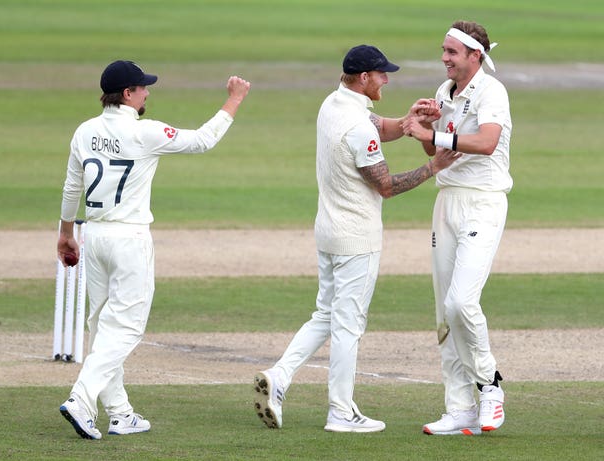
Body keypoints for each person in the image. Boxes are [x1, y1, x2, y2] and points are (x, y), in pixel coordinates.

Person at [253, 45, 460, 433]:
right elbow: (385, 185)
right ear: (364, 77)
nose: (387, 79)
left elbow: (380, 126)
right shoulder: (356, 126)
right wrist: (434, 165)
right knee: (348, 325)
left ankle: (279, 376)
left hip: (328, 231)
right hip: (356, 238)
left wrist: (410, 120)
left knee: (326, 315)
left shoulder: (333, 104)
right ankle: (341, 413)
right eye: (382, 74)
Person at [57, 60, 250, 440]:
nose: (148, 92)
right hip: (129, 238)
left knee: (102, 327)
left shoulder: (85, 130)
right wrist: (235, 99)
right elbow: (203, 140)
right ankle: (81, 398)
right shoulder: (145, 132)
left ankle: (119, 413)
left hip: (93, 236)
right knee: (126, 329)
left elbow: (70, 186)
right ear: (127, 94)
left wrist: (66, 234)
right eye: (143, 87)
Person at [402, 20, 512, 435]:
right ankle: (459, 408)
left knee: (461, 303)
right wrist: (426, 131)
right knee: (442, 313)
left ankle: (490, 385)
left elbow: (485, 143)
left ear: (474, 56)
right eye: (444, 50)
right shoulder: (444, 93)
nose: (444, 58)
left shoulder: (492, 91)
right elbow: (437, 149)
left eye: (452, 52)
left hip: (483, 202)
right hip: (447, 200)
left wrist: (439, 137)